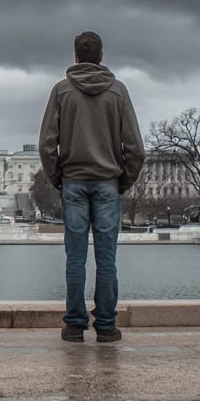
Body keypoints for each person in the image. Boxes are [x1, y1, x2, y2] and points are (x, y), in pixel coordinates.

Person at [39, 31, 145, 343]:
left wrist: (58, 177)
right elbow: (136, 148)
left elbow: (47, 145)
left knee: (75, 259)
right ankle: (106, 326)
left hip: (73, 183)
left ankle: (74, 325)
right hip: (107, 185)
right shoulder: (118, 91)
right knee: (107, 259)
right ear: (101, 55)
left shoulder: (61, 91)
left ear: (76, 56)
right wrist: (122, 180)